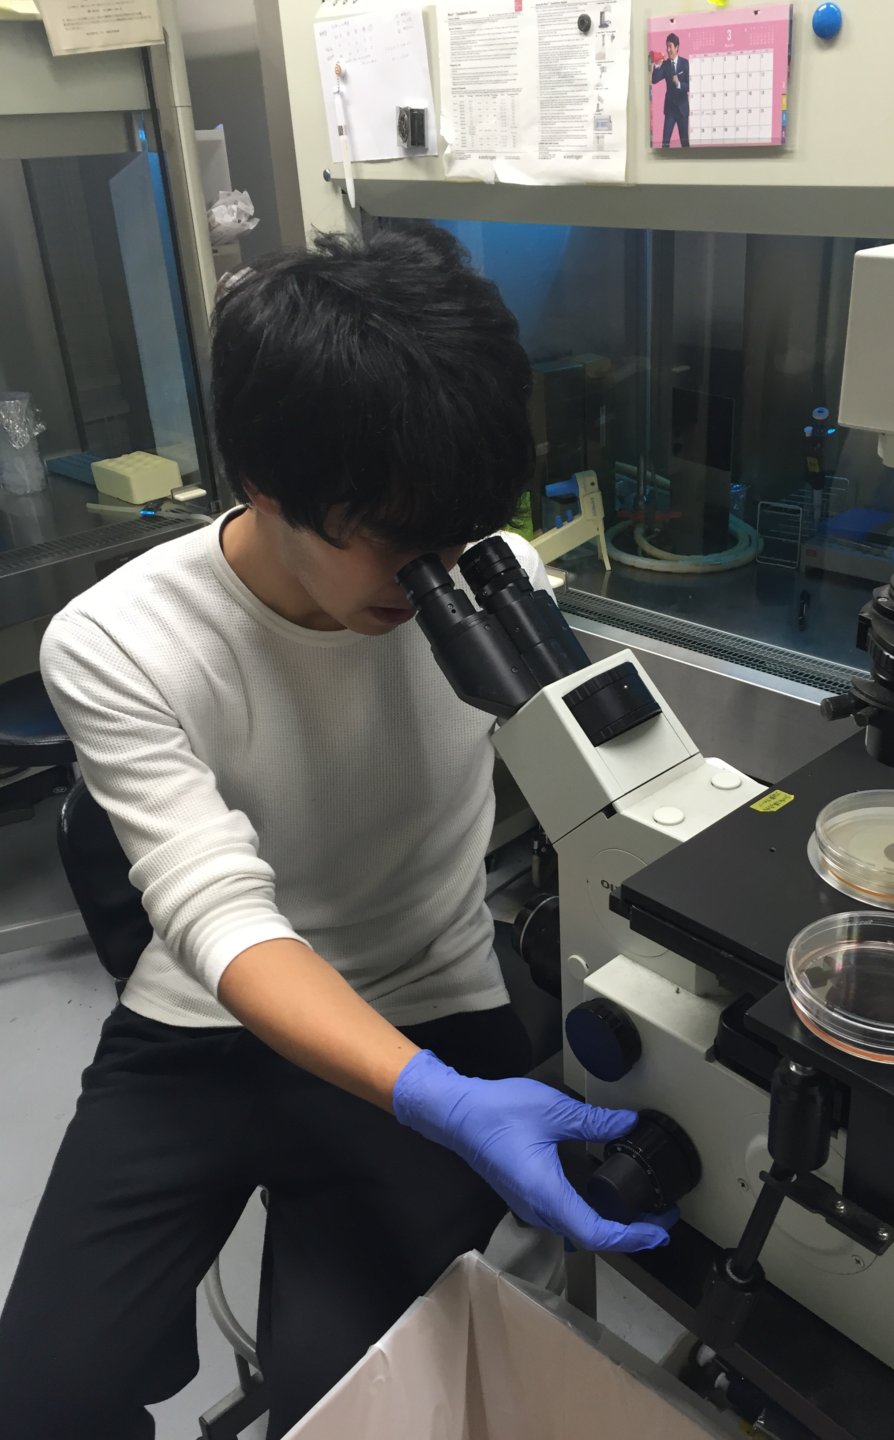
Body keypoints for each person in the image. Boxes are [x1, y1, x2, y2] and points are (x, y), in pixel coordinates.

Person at [0, 226, 671, 1440]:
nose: (435, 577)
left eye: (460, 538)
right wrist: (441, 1105)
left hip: (430, 995)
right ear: (264, 483)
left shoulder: (490, 577)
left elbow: (609, 795)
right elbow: (217, 913)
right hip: (204, 1021)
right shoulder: (117, 641)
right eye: (400, 543)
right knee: (43, 1400)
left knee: (355, 1409)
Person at [652, 32, 690, 148]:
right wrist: (657, 65)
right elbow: (654, 80)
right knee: (665, 143)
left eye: (670, 46)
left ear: (677, 47)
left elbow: (690, 85)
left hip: (682, 110)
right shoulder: (665, 65)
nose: (668, 50)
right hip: (670, 111)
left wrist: (679, 84)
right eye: (667, 47)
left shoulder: (685, 63)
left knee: (685, 144)